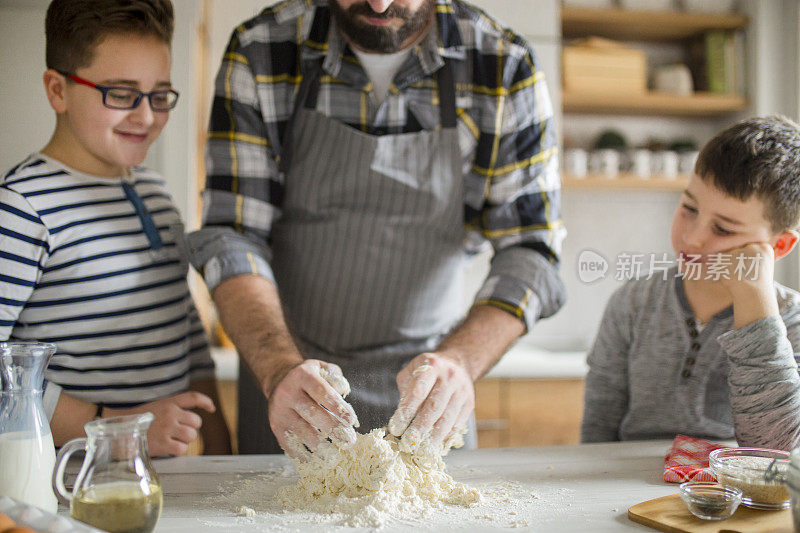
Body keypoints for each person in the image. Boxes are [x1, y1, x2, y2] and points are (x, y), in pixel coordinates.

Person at [190, 0, 565, 456]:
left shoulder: (502, 65)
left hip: (430, 395)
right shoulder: (263, 50)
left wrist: (460, 362)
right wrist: (277, 369)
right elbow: (233, 237)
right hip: (292, 392)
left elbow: (531, 247)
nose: (380, 3)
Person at [0, 0, 231, 456]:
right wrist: (117, 427)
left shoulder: (156, 194)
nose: (146, 117)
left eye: (160, 95)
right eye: (121, 94)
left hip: (167, 481)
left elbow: (183, 325)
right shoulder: (22, 209)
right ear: (58, 90)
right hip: (73, 490)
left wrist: (224, 446)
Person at [581, 115, 800, 451]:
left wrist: (754, 298)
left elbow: (775, 450)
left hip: (729, 498)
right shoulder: (632, 302)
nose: (692, 238)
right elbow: (597, 435)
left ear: (778, 247)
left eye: (723, 229)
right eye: (689, 208)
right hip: (623, 494)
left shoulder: (792, 322)